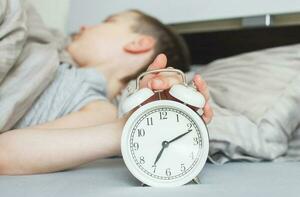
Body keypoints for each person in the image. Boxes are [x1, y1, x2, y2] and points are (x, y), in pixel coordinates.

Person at [0, 10, 213, 175]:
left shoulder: (97, 109)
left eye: (109, 21)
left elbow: (5, 153)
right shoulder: (47, 45)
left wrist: (126, 129)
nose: (83, 27)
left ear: (138, 43)